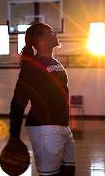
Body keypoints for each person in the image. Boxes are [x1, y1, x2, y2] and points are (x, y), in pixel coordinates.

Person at [8, 23, 75, 176]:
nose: (55, 34)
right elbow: (18, 103)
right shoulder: (31, 67)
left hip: (63, 127)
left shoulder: (56, 63)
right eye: (51, 32)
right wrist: (14, 136)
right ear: (41, 40)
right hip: (44, 128)